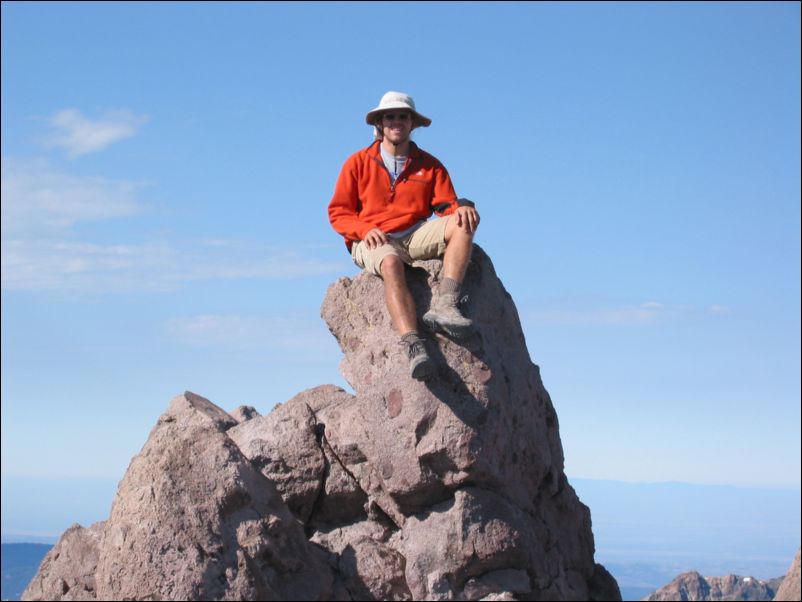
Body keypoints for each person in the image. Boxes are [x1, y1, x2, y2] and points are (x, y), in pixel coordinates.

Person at [328, 91, 481, 381]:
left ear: (412, 124)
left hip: (414, 234)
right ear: (380, 124)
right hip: (372, 239)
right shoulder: (357, 163)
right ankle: (413, 345)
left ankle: (445, 305)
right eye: (390, 116)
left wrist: (463, 207)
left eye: (403, 116)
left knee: (463, 222)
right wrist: (363, 230)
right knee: (390, 263)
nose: (396, 121)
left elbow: (445, 206)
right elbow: (338, 212)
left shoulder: (430, 164)